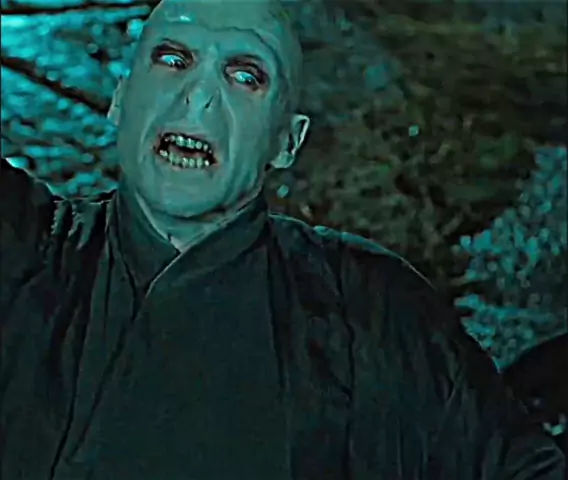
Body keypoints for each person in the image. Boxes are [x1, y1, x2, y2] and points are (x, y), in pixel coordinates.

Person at [0, 0, 565, 478]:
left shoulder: (371, 312)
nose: (199, 95)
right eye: (173, 60)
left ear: (286, 142)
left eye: (245, 76)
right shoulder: (27, 254)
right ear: (121, 100)